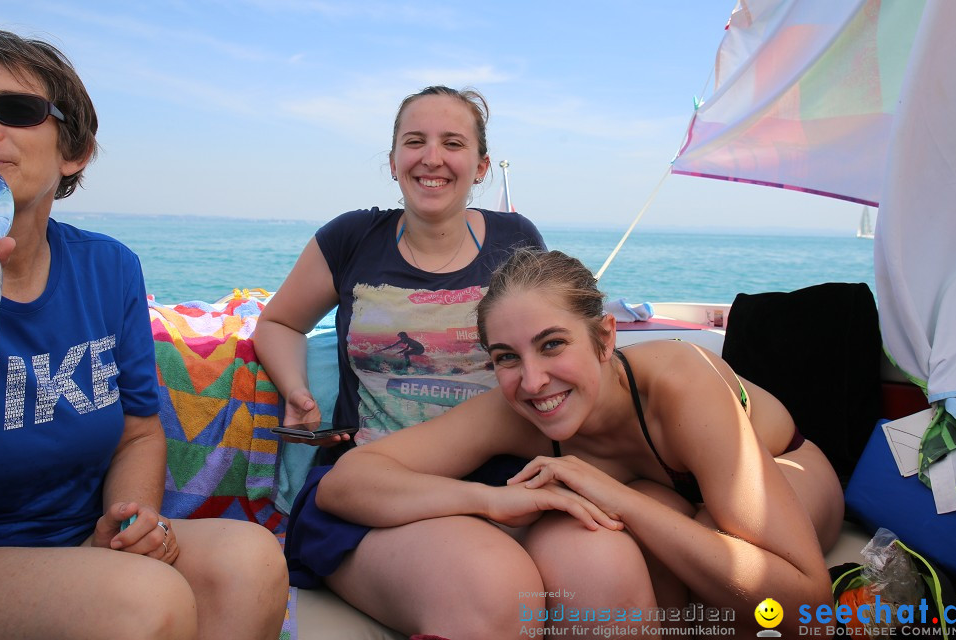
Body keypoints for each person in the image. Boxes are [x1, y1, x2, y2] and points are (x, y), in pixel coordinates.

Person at [0, 30, 288, 640]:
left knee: (251, 559)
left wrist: (130, 515)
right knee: (143, 600)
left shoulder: (108, 269)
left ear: (75, 151)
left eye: (16, 110)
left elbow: (138, 430)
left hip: (73, 537)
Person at [315, 249, 844, 637]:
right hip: (672, 495)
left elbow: (807, 603)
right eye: (506, 357)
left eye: (552, 345)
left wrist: (620, 498)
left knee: (723, 582)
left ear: (605, 337)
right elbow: (349, 482)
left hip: (783, 468)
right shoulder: (514, 408)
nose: (534, 380)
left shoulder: (681, 385)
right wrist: (491, 500)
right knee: (615, 565)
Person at [253, 85, 544, 450]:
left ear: (481, 167)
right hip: (372, 473)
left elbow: (550, 348)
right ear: (393, 162)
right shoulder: (351, 238)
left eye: (453, 144)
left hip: (495, 467)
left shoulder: (516, 240)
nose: (432, 158)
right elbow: (280, 323)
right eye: (415, 141)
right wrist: (297, 391)